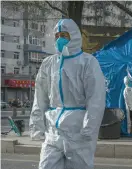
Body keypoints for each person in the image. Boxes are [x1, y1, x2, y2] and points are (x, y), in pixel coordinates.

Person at [29, 19, 106, 169]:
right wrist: (37, 125)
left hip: (77, 130)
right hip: (53, 129)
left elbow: (95, 98)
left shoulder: (88, 62)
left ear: (74, 36)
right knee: (46, 166)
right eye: (57, 36)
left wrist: (89, 127)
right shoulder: (48, 63)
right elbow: (40, 97)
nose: (60, 39)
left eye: (64, 35)